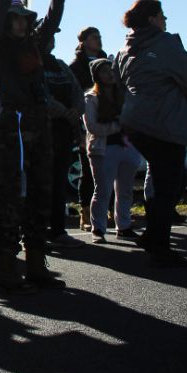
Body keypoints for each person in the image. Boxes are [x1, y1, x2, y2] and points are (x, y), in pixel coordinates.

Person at [0, 0, 67, 294]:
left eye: (24, 19)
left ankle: (35, 264)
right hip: (12, 131)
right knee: (11, 200)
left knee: (40, 197)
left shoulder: (35, 45)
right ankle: (7, 268)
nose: (21, 24)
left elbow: (55, 16)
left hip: (39, 127)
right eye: (15, 19)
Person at [114, 0, 187, 267]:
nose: (166, 21)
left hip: (136, 123)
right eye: (163, 16)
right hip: (165, 124)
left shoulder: (125, 50)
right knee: (169, 186)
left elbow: (118, 86)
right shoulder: (165, 44)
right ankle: (160, 245)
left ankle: (153, 234)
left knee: (160, 177)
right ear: (153, 19)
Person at [82, 58, 143, 243]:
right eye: (104, 71)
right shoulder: (90, 98)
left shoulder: (125, 95)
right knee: (103, 190)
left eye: (111, 70)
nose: (109, 74)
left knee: (125, 190)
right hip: (103, 149)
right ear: (96, 76)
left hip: (127, 146)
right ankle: (98, 228)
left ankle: (123, 225)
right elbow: (92, 127)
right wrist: (118, 125)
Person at [42, 35, 86, 249]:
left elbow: (78, 92)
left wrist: (75, 112)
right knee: (42, 184)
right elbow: (40, 96)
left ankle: (58, 230)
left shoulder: (60, 66)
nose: (51, 39)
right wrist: (62, 112)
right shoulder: (33, 64)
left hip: (65, 132)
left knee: (59, 183)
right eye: (47, 35)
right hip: (44, 132)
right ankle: (37, 232)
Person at [69, 27, 106, 229]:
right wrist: (78, 131)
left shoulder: (106, 62)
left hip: (108, 122)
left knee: (109, 170)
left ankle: (109, 211)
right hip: (86, 124)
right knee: (88, 170)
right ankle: (85, 213)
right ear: (83, 41)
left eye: (99, 37)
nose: (98, 40)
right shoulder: (76, 67)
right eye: (94, 37)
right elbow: (73, 98)